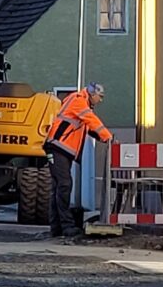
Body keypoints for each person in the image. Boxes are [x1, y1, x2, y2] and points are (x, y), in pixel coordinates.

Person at [44, 82, 112, 240]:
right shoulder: (78, 100)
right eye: (100, 97)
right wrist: (108, 137)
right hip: (57, 147)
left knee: (59, 187)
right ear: (92, 94)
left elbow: (86, 128)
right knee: (64, 185)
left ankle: (57, 228)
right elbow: (90, 120)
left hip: (61, 149)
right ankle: (66, 226)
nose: (100, 100)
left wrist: (100, 137)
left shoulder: (78, 101)